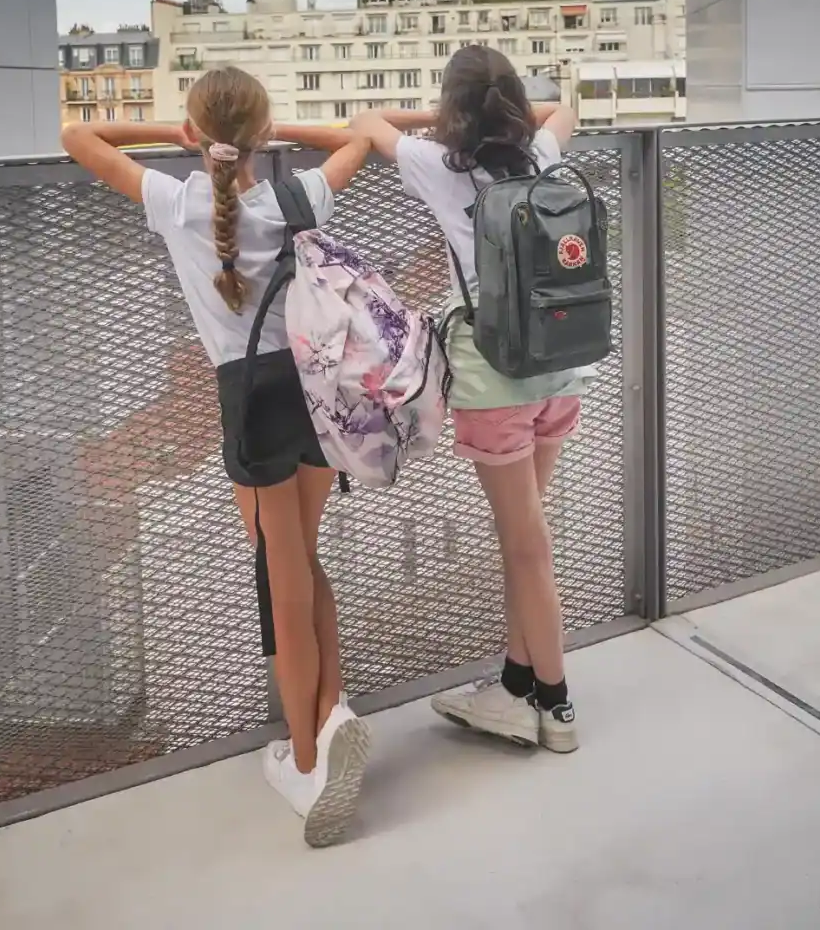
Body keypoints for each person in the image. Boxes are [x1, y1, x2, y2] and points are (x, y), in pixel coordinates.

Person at [63, 67, 373, 847]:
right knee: (300, 560)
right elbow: (360, 139)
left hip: (250, 400)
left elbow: (77, 136)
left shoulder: (178, 202)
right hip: (315, 389)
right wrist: (278, 137)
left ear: (196, 137)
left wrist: (182, 136)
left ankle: (305, 762)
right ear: (261, 138)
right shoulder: (297, 197)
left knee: (284, 571)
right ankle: (333, 712)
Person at [350, 46, 586, 752]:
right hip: (559, 368)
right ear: (512, 103)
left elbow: (366, 121)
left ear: (455, 112)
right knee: (528, 542)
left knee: (526, 546)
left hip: (493, 379)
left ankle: (558, 705)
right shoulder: (541, 150)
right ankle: (516, 684)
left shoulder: (434, 165)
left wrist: (445, 125)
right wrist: (498, 114)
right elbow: (563, 109)